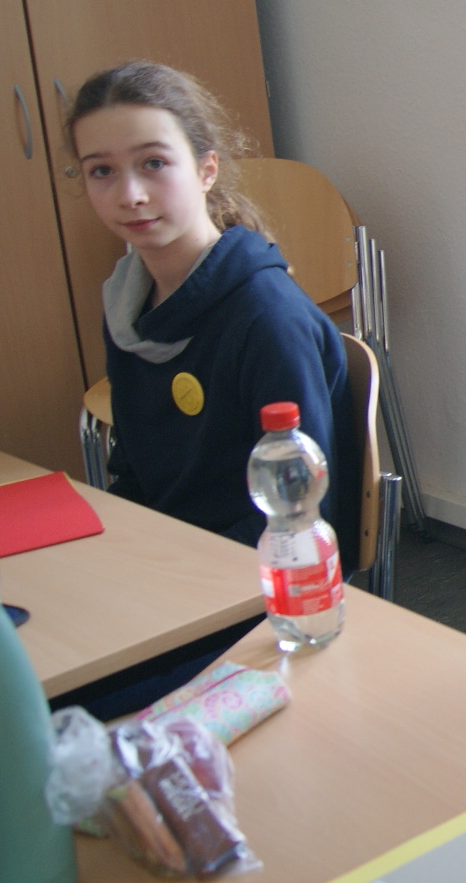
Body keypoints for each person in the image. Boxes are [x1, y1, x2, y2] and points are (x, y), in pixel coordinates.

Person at [68, 60, 350, 548]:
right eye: (102, 171)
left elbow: (299, 514)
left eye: (153, 163)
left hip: (256, 568)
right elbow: (135, 476)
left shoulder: (267, 317)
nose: (130, 195)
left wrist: (168, 568)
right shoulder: (128, 305)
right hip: (171, 555)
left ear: (206, 170)